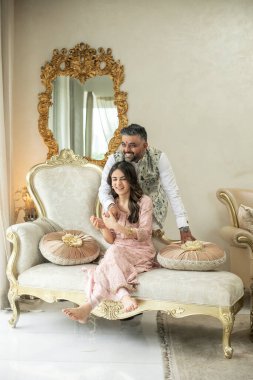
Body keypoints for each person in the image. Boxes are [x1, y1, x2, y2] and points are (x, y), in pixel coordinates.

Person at [62, 161, 156, 323]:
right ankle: (121, 297)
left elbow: (146, 233)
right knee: (109, 258)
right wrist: (103, 227)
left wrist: (117, 227)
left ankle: (89, 306)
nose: (118, 183)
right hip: (119, 250)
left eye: (122, 179)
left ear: (131, 180)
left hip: (141, 251)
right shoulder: (111, 206)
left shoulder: (144, 201)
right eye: (114, 179)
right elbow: (111, 240)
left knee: (109, 258)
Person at [99, 123, 195, 243]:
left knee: (145, 241)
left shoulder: (159, 158)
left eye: (133, 145)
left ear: (145, 145)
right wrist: (111, 205)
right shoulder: (114, 159)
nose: (127, 150)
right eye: (124, 144)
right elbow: (104, 190)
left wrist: (183, 226)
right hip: (122, 210)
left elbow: (172, 191)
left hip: (151, 209)